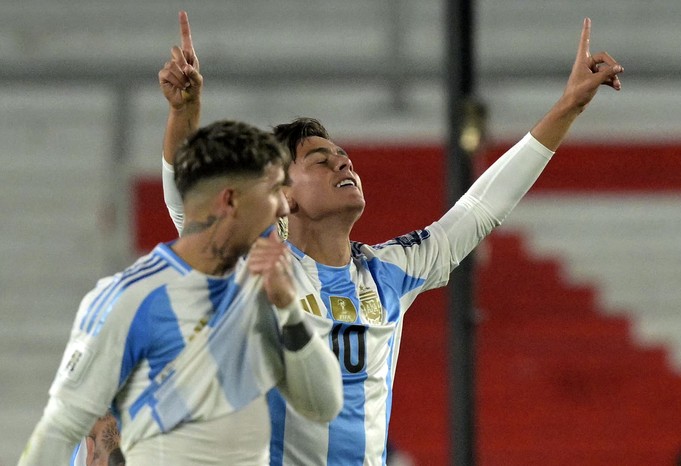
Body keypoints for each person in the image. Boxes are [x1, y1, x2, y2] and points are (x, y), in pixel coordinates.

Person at [159, 11, 623, 465]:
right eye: (320, 161)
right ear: (284, 195)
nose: (344, 164)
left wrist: (569, 106)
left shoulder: (390, 271)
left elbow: (480, 208)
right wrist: (185, 114)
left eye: (344, 158)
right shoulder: (258, 265)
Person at [19, 119, 343, 466]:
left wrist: (288, 308)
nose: (283, 207)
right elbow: (60, 430)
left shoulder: (261, 293)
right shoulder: (133, 298)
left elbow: (322, 404)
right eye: (272, 191)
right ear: (231, 201)